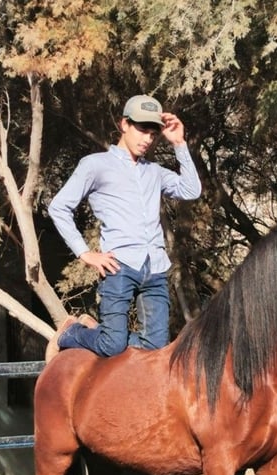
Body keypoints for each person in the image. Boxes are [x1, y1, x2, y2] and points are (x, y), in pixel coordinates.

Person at [45, 94, 202, 361]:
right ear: (124, 124)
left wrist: (179, 144)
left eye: (153, 134)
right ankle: (70, 333)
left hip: (155, 270)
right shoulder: (95, 165)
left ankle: (103, 331)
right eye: (142, 130)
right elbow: (58, 207)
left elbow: (191, 189)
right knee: (112, 345)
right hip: (119, 268)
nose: (147, 139)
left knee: (155, 349)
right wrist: (85, 253)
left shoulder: (155, 171)